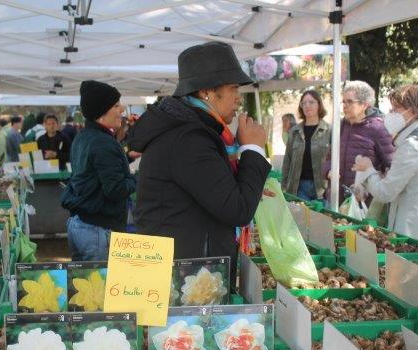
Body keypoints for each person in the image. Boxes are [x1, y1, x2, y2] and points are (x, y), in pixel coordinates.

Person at [128, 41, 270, 270]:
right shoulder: (189, 139)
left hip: (184, 269)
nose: (238, 98)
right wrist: (253, 150)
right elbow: (237, 210)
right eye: (233, 88)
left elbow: (211, 192)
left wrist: (247, 183)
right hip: (183, 277)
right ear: (205, 92)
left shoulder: (188, 131)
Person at [352, 84, 418, 245]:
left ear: (413, 111)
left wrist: (368, 170)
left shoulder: (413, 146)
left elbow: (385, 193)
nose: (390, 114)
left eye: (395, 109)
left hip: (410, 230)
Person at [60, 81, 136, 261]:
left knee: (84, 279)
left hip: (81, 226)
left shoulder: (83, 137)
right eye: (116, 106)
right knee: (100, 280)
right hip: (97, 231)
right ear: (101, 114)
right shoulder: (103, 142)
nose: (122, 109)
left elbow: (96, 171)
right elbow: (116, 190)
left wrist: (126, 158)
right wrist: (135, 178)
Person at [323, 80, 394, 201]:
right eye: (344, 102)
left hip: (363, 202)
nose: (345, 106)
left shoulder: (378, 128)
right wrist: (328, 170)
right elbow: (329, 158)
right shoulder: (339, 127)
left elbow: (392, 165)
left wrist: (370, 186)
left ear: (364, 104)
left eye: (350, 102)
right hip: (336, 198)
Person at [281, 90, 331, 201]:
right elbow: (287, 160)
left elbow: (335, 160)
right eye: (304, 103)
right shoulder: (294, 131)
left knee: (322, 213)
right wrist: (283, 186)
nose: (307, 106)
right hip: (299, 187)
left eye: (311, 102)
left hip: (323, 188)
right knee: (302, 213)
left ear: (319, 105)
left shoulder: (329, 130)